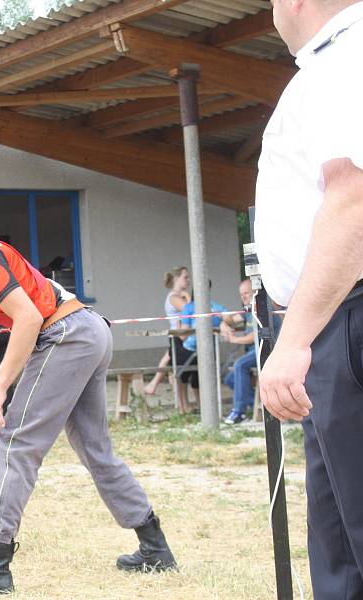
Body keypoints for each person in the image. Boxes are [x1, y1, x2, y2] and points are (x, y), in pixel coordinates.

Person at [0, 198, 176, 599]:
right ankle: (154, 544)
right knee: (94, 447)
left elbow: (28, 317)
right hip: (83, 329)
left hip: (66, 332)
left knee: (14, 442)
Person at [255, 3, 363, 598]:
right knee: (339, 537)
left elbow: (353, 202)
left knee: (352, 529)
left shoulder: (349, 54)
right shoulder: (332, 59)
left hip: (344, 317)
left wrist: (294, 339)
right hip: (333, 319)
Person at [178, 285, 227, 415]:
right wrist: (223, 321)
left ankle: (197, 407)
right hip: (206, 349)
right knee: (195, 374)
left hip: (194, 348)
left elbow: (183, 334)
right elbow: (229, 317)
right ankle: (203, 407)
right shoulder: (214, 307)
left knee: (183, 373)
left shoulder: (191, 307)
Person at [144, 267, 191, 396]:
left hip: (183, 334)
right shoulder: (174, 297)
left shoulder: (178, 296)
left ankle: (154, 384)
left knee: (168, 359)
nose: (188, 280)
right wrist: (188, 296)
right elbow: (190, 309)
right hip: (179, 335)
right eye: (185, 277)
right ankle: (154, 384)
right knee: (170, 360)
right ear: (176, 279)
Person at [220, 279, 256, 425]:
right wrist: (224, 324)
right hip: (253, 351)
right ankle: (256, 404)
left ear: (255, 292)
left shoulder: (261, 308)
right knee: (229, 379)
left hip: (266, 351)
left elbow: (256, 336)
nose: (244, 297)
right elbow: (230, 320)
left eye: (246, 293)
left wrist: (235, 340)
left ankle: (239, 412)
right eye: (241, 295)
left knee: (240, 364)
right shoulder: (247, 310)